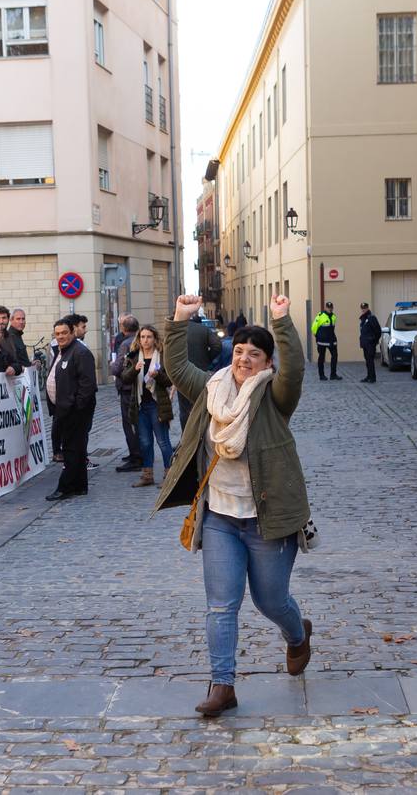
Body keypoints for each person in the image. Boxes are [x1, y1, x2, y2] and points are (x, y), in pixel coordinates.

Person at [153, 294, 312, 717]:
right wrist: (179, 320)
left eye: (253, 354)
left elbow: (293, 370)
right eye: (239, 351)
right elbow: (176, 368)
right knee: (221, 605)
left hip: (268, 520)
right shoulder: (212, 390)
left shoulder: (276, 397)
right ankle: (222, 685)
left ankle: (297, 635)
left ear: (265, 363)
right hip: (221, 518)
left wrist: (281, 320)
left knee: (271, 601)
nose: (243, 359)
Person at [46, 316, 96, 502]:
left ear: (72, 333)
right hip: (63, 409)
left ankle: (65, 487)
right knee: (77, 449)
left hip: (74, 411)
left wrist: (77, 407)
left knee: (71, 450)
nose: (61, 336)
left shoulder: (80, 352)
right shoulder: (61, 351)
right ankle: (80, 485)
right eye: (57, 334)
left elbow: (88, 385)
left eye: (64, 333)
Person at [120, 324, 174, 488]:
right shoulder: (134, 356)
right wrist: (134, 370)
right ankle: (147, 475)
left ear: (154, 338)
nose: (145, 340)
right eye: (142, 337)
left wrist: (158, 375)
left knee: (163, 441)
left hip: (158, 404)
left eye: (149, 337)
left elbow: (169, 381)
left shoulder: (162, 356)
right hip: (140, 405)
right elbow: (125, 378)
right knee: (144, 442)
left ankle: (170, 475)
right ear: (139, 339)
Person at [110, 315, 143, 473]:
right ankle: (138, 454)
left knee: (129, 424)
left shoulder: (125, 344)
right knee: (138, 423)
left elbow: (117, 368)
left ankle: (136, 456)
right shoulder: (143, 339)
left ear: (123, 329)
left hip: (128, 388)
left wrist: (112, 366)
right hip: (140, 386)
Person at [178, 318, 223, 428]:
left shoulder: (177, 331)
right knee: (203, 404)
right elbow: (217, 345)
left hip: (181, 374)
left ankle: (186, 436)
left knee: (184, 409)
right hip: (201, 371)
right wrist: (207, 359)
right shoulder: (203, 329)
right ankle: (203, 433)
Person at [310, 301, 341, 381]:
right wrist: (318, 337)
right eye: (328, 307)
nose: (329, 309)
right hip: (322, 341)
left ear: (332, 308)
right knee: (321, 357)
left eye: (331, 308)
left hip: (332, 340)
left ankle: (333, 374)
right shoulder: (320, 316)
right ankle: (321, 375)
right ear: (325, 308)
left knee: (335, 356)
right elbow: (313, 328)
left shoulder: (334, 317)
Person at [357, 302, 382, 383]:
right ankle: (369, 376)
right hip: (365, 344)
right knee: (367, 361)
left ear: (367, 308)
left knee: (370, 361)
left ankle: (372, 377)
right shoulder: (363, 319)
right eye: (362, 308)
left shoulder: (371, 318)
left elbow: (378, 331)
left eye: (365, 308)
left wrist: (374, 341)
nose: (363, 309)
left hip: (370, 344)